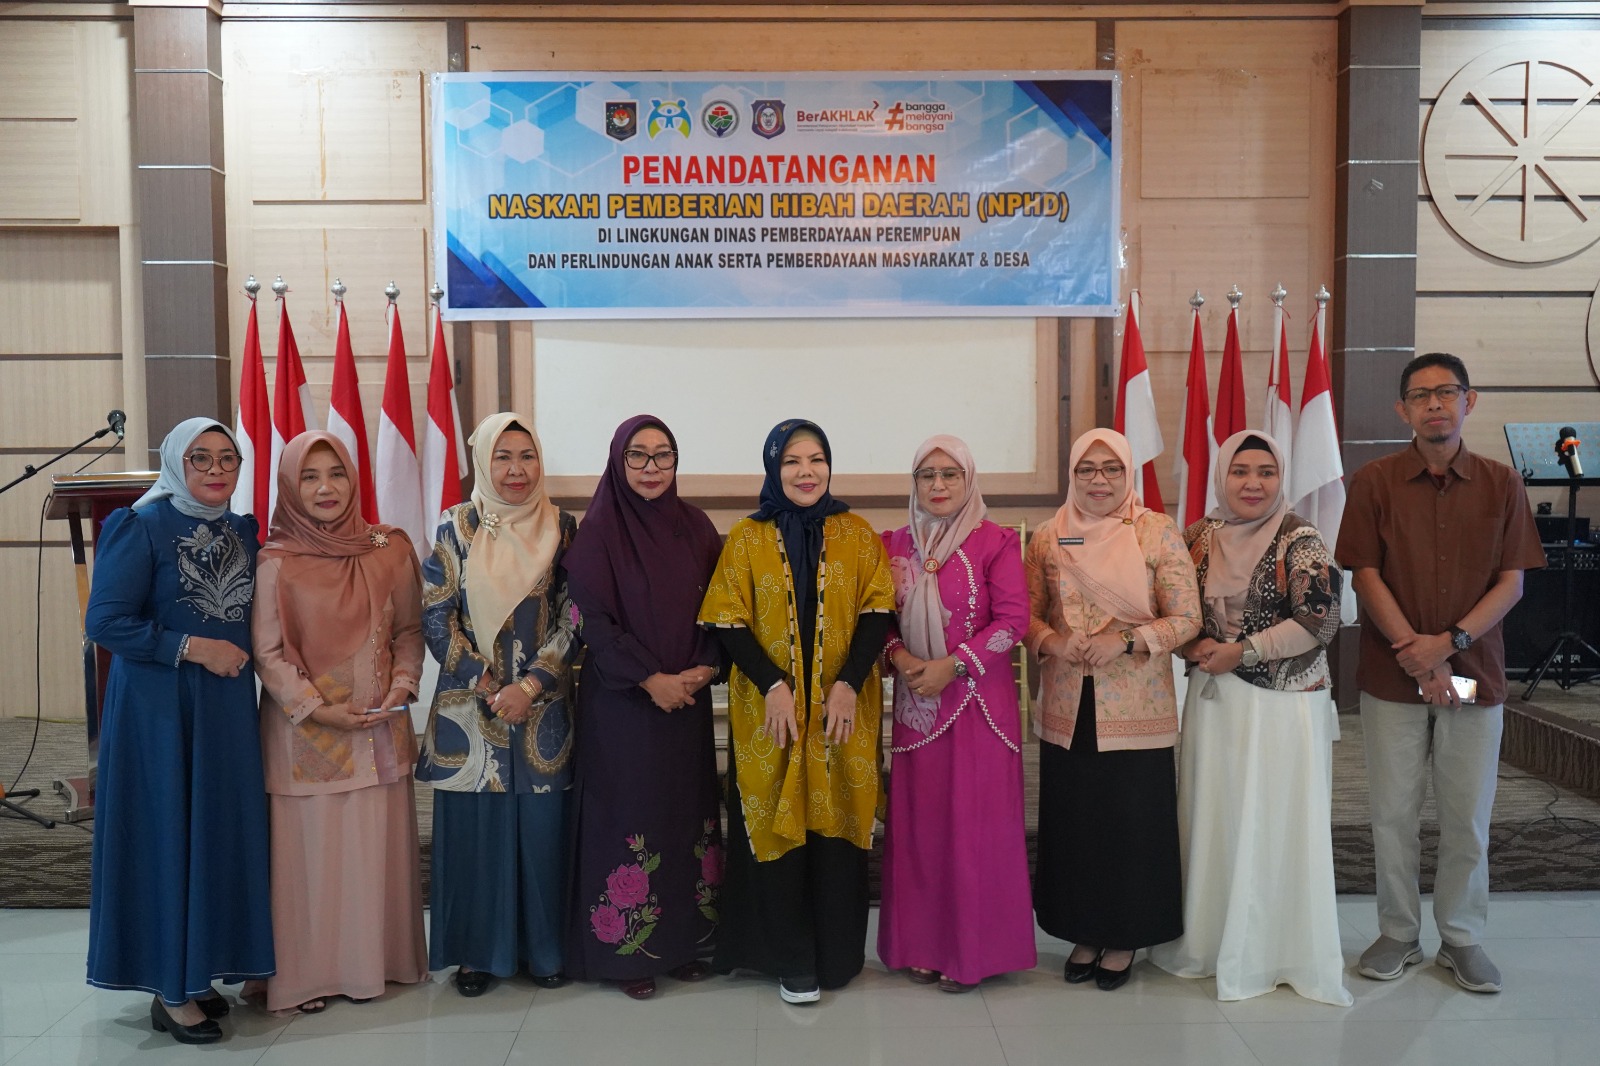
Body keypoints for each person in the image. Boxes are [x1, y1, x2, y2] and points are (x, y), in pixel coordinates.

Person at [1336, 352, 1544, 994]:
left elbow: (1511, 583)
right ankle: (1398, 931)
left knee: (1467, 815)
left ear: (1468, 401)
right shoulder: (1373, 482)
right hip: (1393, 676)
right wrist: (1418, 652)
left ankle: (1461, 937)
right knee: (1392, 814)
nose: (1435, 404)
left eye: (1447, 392)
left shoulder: (1502, 483)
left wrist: (1448, 645)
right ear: (1402, 409)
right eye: (1421, 395)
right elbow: (1364, 574)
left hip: (1474, 676)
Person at [84, 417, 273, 1044]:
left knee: (215, 831)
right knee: (168, 833)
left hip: (224, 708)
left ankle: (198, 973)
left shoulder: (241, 531)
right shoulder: (139, 525)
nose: (216, 469)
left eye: (228, 458)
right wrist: (193, 648)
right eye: (200, 458)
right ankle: (170, 989)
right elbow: (105, 622)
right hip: (158, 709)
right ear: (175, 463)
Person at [1149, 431, 1351, 1006]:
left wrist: (1243, 652)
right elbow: (1174, 611)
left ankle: (1273, 950)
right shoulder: (1197, 536)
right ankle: (1210, 942)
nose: (1253, 483)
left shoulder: (1300, 538)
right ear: (1222, 476)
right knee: (1217, 814)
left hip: (1283, 707)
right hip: (1216, 702)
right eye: (1240, 471)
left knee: (1274, 818)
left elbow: (1320, 620)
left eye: (1266, 472)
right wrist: (1191, 647)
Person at [698, 419, 895, 1004]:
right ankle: (788, 958)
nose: (806, 472)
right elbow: (727, 620)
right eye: (791, 461)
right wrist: (773, 685)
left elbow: (877, 612)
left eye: (816, 460)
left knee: (835, 826)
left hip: (841, 711)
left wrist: (848, 683)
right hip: (771, 714)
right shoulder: (746, 538)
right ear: (772, 468)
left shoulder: (858, 534)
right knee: (774, 827)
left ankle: (835, 956)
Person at [252, 431, 428, 1014]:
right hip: (305, 731)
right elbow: (268, 655)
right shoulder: (275, 562)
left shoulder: (389, 550)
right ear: (290, 485)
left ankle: (379, 965)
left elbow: (409, 631)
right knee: (313, 859)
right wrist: (319, 709)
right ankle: (306, 977)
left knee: (373, 851)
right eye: (309, 476)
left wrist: (402, 685)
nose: (325, 487)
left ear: (355, 480)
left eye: (337, 474)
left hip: (378, 726)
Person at [1024, 428, 1200, 991]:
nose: (1098, 480)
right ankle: (1084, 930)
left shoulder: (1156, 530)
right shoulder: (1049, 536)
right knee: (1076, 823)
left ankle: (1124, 936)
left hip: (1136, 707)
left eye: (1111, 469)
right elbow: (1025, 615)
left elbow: (1187, 618)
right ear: (1072, 474)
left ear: (1128, 474)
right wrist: (1054, 642)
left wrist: (1125, 641)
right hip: (1068, 705)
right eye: (1087, 469)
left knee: (1132, 826)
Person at [416, 413, 581, 996]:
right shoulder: (456, 527)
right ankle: (476, 955)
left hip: (542, 711)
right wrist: (487, 683)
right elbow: (436, 615)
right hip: (472, 712)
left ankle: (544, 951)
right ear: (484, 462)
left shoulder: (563, 527)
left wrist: (530, 685)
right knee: (476, 839)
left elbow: (574, 616)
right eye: (503, 457)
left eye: (526, 456)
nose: (516, 470)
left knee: (542, 836)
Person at [565, 415, 724, 1000]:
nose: (652, 467)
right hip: (623, 709)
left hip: (687, 702)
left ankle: (682, 944)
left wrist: (705, 668)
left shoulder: (697, 527)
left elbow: (723, 607)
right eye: (638, 455)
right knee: (628, 818)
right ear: (618, 460)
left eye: (663, 455)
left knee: (684, 816)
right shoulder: (598, 533)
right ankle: (625, 954)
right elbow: (593, 623)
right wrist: (650, 678)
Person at [877, 435, 1036, 993]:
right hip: (917, 705)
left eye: (950, 474)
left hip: (977, 708)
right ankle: (923, 945)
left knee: (974, 829)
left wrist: (955, 666)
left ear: (969, 480)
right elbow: (879, 618)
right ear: (914, 483)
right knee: (922, 829)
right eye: (927, 475)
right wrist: (901, 658)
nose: (939, 485)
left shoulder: (995, 541)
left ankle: (972, 953)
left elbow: (1014, 621)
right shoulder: (894, 543)